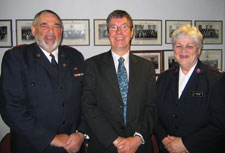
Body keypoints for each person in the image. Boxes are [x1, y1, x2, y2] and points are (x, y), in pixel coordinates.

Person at [0, 10, 86, 153]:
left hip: (72, 146)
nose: (51, 32)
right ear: (34, 30)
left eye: (56, 26)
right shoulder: (16, 58)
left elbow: (86, 99)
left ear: (62, 31)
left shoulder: (75, 56)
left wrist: (81, 133)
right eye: (44, 26)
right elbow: (11, 109)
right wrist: (51, 138)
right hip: (33, 146)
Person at [81, 10, 157, 153]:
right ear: (108, 33)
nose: (119, 32)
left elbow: (151, 107)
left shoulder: (146, 67)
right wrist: (115, 140)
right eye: (113, 28)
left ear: (132, 32)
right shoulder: (92, 65)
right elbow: (88, 106)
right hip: (105, 146)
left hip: (139, 147)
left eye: (124, 27)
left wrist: (137, 138)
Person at [154, 24, 223, 153]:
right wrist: (164, 139)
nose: (183, 51)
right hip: (167, 149)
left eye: (189, 46)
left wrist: (185, 144)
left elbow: (220, 124)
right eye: (178, 46)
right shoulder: (163, 78)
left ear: (199, 50)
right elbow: (154, 114)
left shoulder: (215, 80)